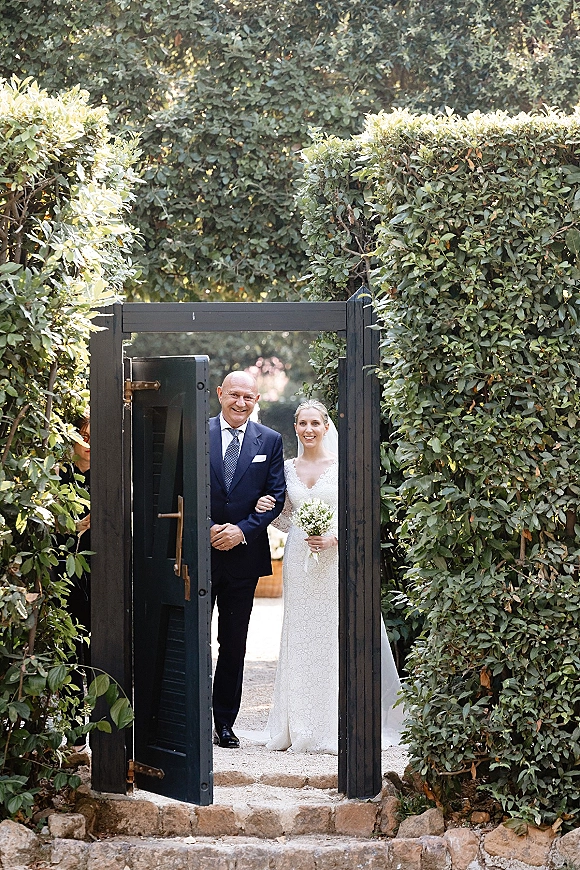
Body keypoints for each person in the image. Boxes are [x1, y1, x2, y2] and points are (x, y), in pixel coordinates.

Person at [256, 399, 404, 754]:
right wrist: (265, 509)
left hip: (334, 557)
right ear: (295, 428)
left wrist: (335, 536)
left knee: (335, 633)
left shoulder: (342, 467)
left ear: (326, 427)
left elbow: (359, 515)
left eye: (315, 424)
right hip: (298, 557)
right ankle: (299, 723)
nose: (308, 430)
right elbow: (285, 516)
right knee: (300, 633)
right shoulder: (287, 468)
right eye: (302, 424)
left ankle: (338, 721)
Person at [209, 371, 286, 748]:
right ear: (220, 393)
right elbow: (177, 487)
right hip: (197, 554)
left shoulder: (269, 440)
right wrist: (206, 528)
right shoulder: (196, 430)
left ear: (257, 400)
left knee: (234, 643)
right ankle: (188, 720)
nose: (240, 403)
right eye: (234, 395)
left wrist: (241, 530)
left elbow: (276, 495)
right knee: (191, 640)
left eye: (248, 397)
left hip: (244, 557)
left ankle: (225, 723)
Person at [58, 410, 92, 669]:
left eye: (95, 438)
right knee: (71, 631)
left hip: (98, 563)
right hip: (64, 563)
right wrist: (73, 527)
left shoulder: (108, 475)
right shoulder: (60, 474)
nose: (89, 444)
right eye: (84, 436)